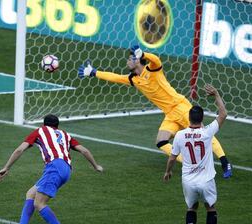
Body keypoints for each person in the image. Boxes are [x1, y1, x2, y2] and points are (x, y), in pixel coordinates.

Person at [78, 45, 232, 178]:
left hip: (180, 106)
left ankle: (225, 163)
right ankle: (190, 163)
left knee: (204, 133)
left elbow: (156, 60)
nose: (126, 61)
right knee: (161, 141)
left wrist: (143, 54)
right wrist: (93, 72)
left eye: (129, 59)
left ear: (137, 60)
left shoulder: (152, 70)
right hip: (170, 114)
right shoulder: (133, 78)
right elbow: (115, 77)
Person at [0, 114, 103, 224]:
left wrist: (6, 167)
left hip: (54, 167)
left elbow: (19, 150)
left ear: (44, 124)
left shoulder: (40, 131)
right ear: (57, 125)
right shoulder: (65, 135)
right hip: (66, 169)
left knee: (39, 203)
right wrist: (96, 166)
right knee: (31, 193)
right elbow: (84, 151)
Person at [163, 84, 227, 224]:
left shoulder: (179, 135)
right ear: (202, 118)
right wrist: (216, 94)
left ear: (189, 118)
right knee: (210, 208)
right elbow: (223, 114)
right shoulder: (207, 133)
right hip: (206, 179)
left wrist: (168, 171)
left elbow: (172, 157)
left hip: (188, 180)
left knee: (192, 207)